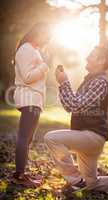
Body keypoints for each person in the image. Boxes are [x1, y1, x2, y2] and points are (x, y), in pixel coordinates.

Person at [44, 46, 108, 193]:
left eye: (92, 55)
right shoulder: (91, 81)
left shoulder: (100, 82)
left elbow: (73, 105)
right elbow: (70, 106)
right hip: (87, 137)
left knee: (51, 138)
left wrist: (64, 82)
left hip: (91, 137)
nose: (87, 58)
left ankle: (75, 181)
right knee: (92, 184)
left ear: (101, 61)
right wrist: (63, 83)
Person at [13, 23, 51, 187]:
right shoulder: (26, 49)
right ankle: (19, 175)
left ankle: (21, 173)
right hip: (28, 98)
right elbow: (28, 77)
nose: (47, 40)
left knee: (28, 138)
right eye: (45, 36)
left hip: (34, 99)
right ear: (37, 33)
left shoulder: (33, 50)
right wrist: (44, 66)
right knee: (24, 137)